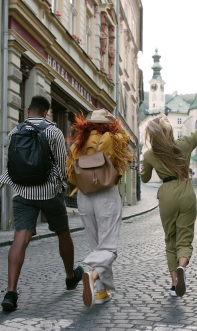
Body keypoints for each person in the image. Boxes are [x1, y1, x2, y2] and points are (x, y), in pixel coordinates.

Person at [0, 96, 83, 311]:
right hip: (49, 193)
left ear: (28, 109)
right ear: (46, 112)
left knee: (20, 238)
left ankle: (11, 292)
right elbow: (62, 164)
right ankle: (70, 276)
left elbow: (12, 161)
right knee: (63, 232)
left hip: (23, 192)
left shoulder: (15, 132)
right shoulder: (53, 132)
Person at [66, 109, 132, 307]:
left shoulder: (78, 144)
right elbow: (126, 140)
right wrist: (117, 124)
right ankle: (93, 275)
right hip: (106, 193)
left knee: (97, 245)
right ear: (107, 124)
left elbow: (70, 176)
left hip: (84, 196)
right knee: (108, 246)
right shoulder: (111, 137)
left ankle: (102, 291)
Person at [141, 114, 197, 297]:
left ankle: (174, 283)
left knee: (170, 239)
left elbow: (145, 178)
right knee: (185, 238)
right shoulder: (183, 143)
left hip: (167, 195)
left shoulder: (149, 154)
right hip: (186, 191)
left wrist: (144, 167)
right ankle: (182, 266)